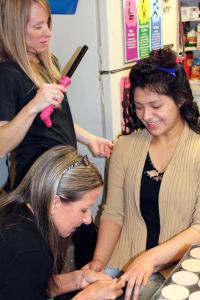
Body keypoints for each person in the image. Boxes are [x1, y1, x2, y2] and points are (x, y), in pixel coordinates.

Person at [0, 0, 113, 270]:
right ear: (14, 29)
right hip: (39, 188)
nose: (48, 32)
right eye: (38, 26)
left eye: (48, 23)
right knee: (46, 265)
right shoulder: (6, 74)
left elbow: (56, 119)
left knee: (84, 248)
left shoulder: (47, 62)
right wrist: (32, 106)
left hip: (66, 178)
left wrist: (89, 139)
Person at [85, 48, 200, 300]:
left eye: (155, 105)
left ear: (180, 100)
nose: (147, 116)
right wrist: (99, 263)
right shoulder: (125, 148)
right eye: (139, 107)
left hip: (178, 270)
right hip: (123, 265)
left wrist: (150, 259)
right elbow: (114, 214)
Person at [0, 145, 125, 300]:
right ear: (54, 203)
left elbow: (32, 284)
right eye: (84, 209)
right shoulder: (28, 251)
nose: (88, 220)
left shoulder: (15, 211)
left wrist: (79, 279)